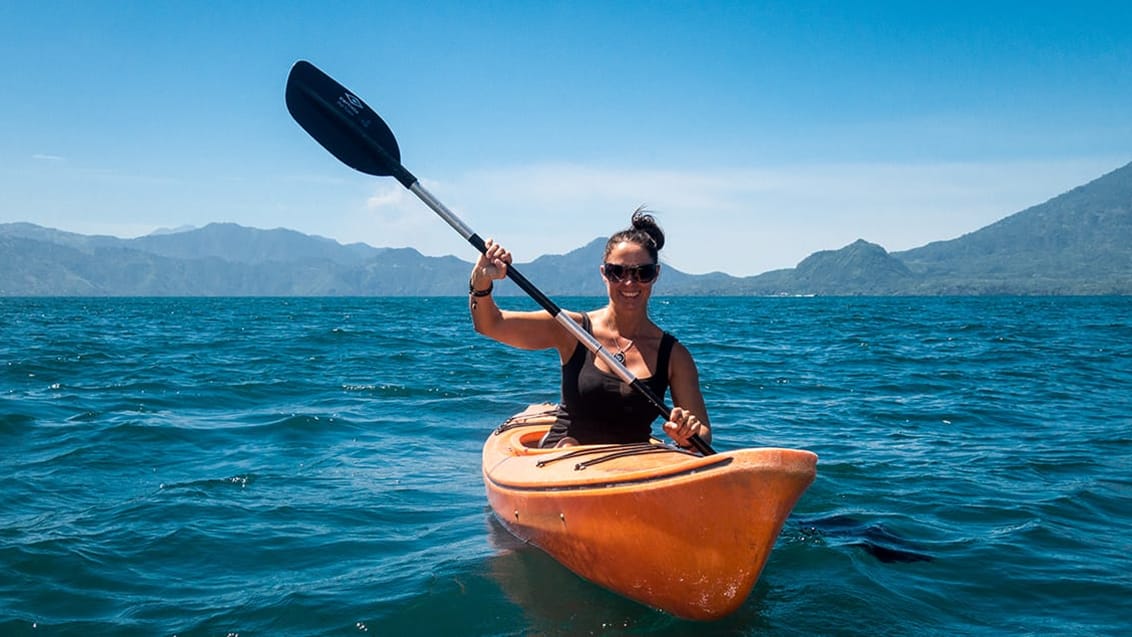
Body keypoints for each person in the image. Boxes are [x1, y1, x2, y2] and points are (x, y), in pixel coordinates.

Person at [468, 208, 711, 450]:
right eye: (618, 272)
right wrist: (481, 281)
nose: (629, 282)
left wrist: (688, 433)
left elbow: (702, 435)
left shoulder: (675, 356)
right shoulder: (570, 328)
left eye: (642, 273)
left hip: (632, 466)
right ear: (604, 273)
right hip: (562, 457)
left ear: (655, 275)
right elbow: (490, 324)